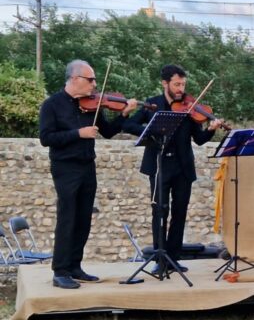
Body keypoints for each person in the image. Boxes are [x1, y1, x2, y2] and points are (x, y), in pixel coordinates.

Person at [40, 59, 139, 289]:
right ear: (75, 79)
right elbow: (46, 138)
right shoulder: (52, 105)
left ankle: (75, 266)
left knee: (84, 218)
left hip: (87, 166)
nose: (94, 84)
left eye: (95, 80)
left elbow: (109, 132)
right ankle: (60, 270)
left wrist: (124, 114)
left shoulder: (91, 105)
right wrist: (78, 133)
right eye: (90, 79)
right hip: (65, 167)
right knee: (67, 217)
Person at [123, 64, 223, 274]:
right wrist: (149, 131)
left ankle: (173, 258)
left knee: (180, 212)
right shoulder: (153, 104)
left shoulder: (189, 107)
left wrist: (211, 130)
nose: (181, 89)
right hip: (159, 165)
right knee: (159, 211)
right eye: (177, 84)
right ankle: (161, 257)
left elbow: (200, 139)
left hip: (183, 166)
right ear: (165, 83)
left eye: (183, 84)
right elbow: (130, 125)